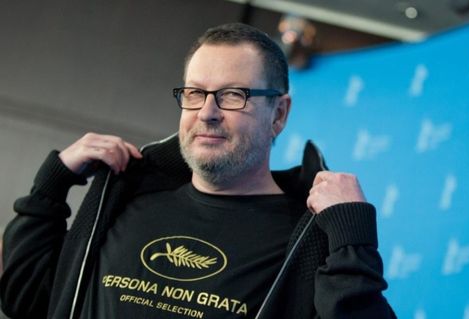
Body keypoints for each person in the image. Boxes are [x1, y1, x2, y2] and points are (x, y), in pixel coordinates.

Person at [0, 23, 396, 319]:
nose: (207, 112)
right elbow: (25, 298)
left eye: (231, 95)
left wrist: (351, 240)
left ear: (279, 113)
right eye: (195, 93)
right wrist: (49, 190)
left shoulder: (309, 240)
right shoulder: (124, 198)